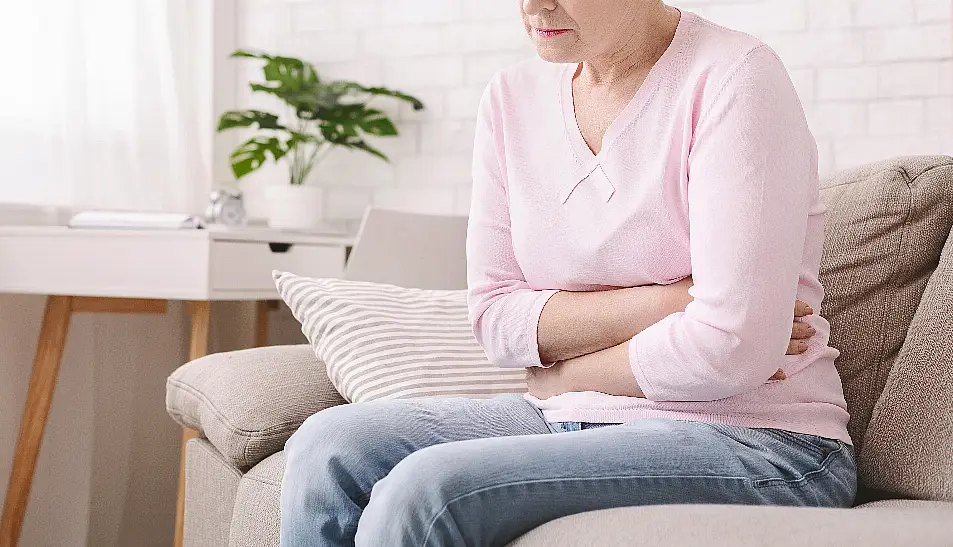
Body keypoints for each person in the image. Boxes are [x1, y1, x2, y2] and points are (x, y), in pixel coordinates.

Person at [279, 1, 856, 545]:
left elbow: (731, 346)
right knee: (328, 445)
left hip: (762, 440)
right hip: (575, 418)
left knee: (426, 493)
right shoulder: (511, 98)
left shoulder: (735, 77)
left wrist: (567, 377)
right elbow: (495, 317)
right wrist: (673, 301)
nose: (534, 5)